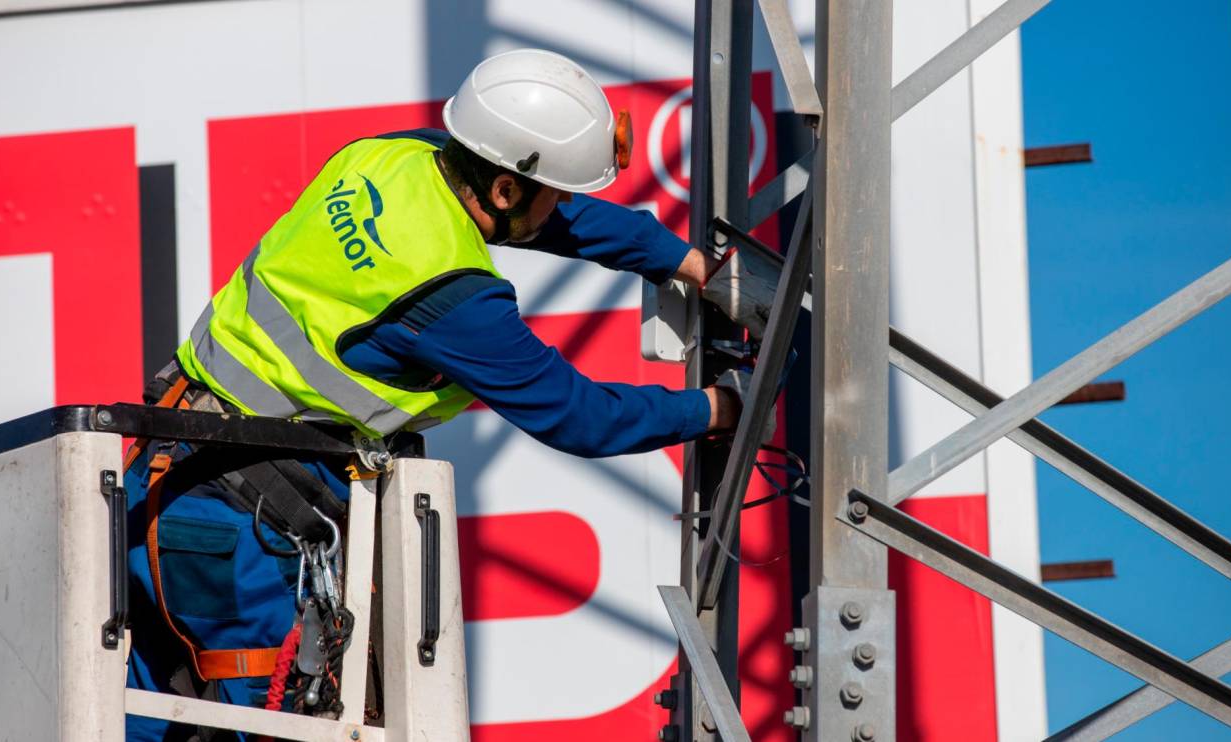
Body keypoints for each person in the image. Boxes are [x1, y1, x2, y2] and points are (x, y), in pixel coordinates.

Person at [122, 48, 775, 740]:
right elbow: (582, 417)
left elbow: (558, 220)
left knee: (125, 712)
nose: (560, 205)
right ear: (502, 190)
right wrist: (720, 407)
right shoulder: (454, 298)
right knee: (283, 726)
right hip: (241, 531)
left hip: (159, 474)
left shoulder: (389, 157)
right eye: (552, 189)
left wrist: (689, 263)